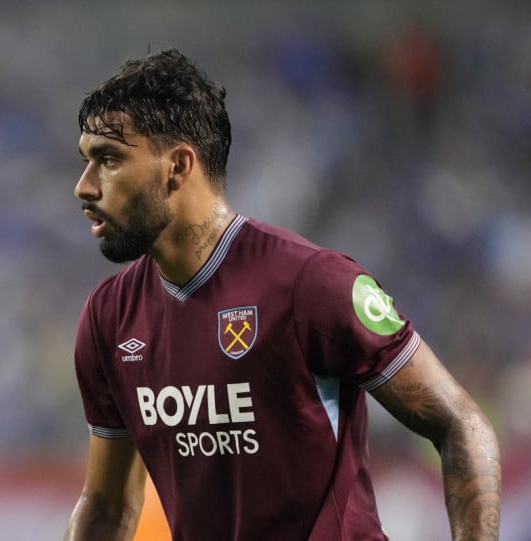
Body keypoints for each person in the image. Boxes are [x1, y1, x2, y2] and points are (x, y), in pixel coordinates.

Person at [63, 48, 501, 541]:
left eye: (109, 159)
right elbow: (106, 506)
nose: (84, 186)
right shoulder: (109, 318)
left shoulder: (312, 284)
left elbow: (461, 424)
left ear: (178, 165)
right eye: (86, 161)